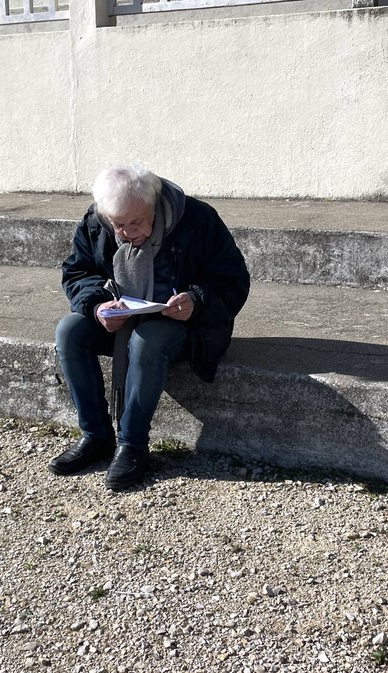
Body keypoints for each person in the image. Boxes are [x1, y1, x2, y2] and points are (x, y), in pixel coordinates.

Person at [51, 165, 251, 490]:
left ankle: (132, 445)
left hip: (186, 324)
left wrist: (196, 300)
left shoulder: (197, 219)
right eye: (119, 225)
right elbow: (77, 272)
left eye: (136, 222)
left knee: (147, 340)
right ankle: (96, 435)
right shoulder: (97, 221)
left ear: (154, 205)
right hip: (122, 314)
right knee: (70, 331)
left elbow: (233, 281)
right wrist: (98, 306)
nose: (128, 232)